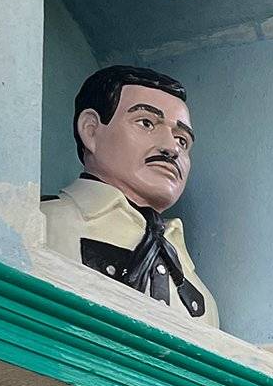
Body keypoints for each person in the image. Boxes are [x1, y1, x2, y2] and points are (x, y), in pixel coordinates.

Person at [41, 66, 218, 324]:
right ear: (91, 130)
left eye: (182, 140)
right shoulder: (40, 224)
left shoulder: (199, 294)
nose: (171, 148)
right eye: (146, 123)